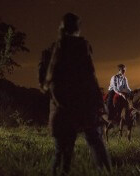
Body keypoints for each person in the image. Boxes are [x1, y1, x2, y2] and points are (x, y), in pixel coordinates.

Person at [43, 13, 111, 175]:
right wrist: (98, 103)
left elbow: (51, 81)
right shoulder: (80, 46)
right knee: (94, 141)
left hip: (64, 105)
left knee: (64, 150)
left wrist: (60, 103)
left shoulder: (58, 46)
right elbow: (90, 76)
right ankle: (106, 172)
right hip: (81, 103)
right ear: (77, 28)